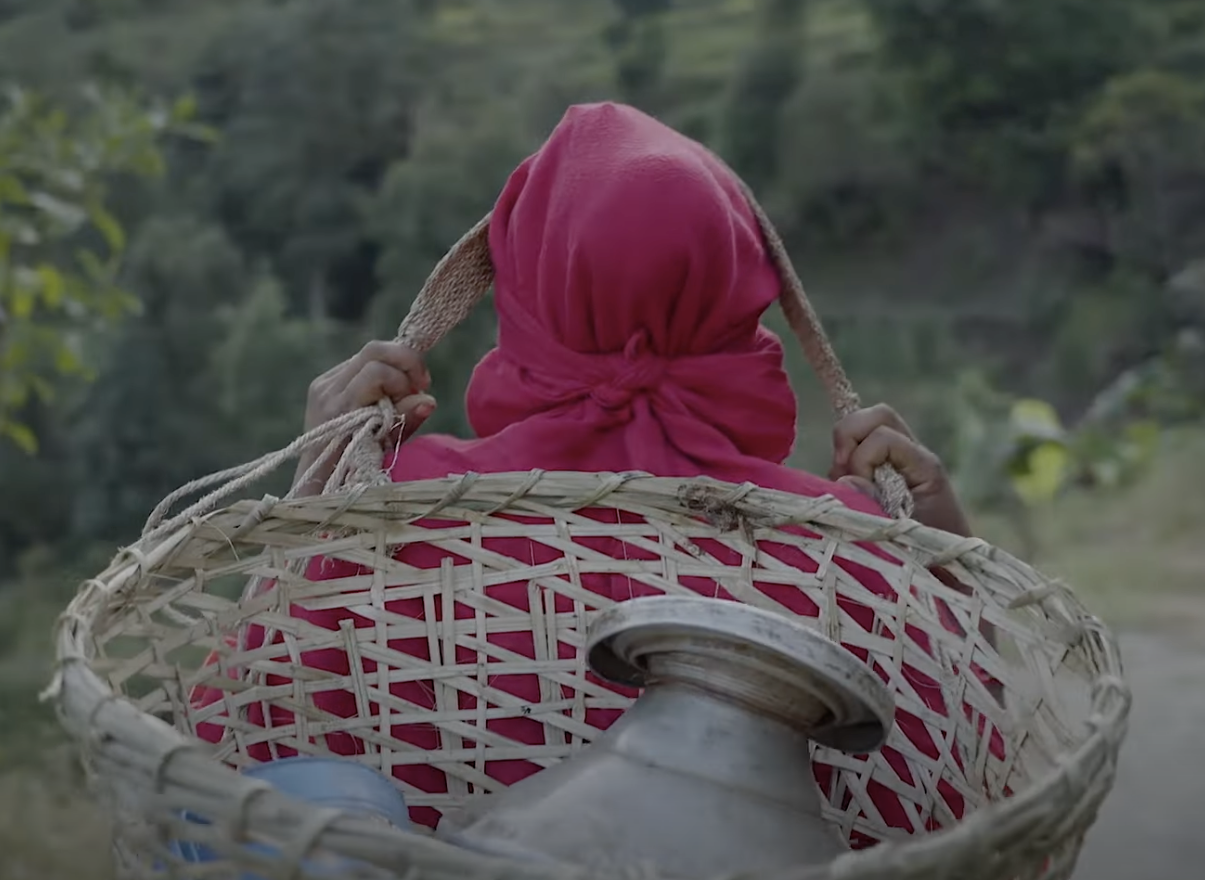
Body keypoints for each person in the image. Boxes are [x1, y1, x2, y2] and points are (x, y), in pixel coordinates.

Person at [196, 102, 986, 843]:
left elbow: (229, 756)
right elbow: (980, 806)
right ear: (744, 300)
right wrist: (948, 571)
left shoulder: (391, 525)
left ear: (523, 293)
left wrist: (312, 510)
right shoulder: (852, 554)